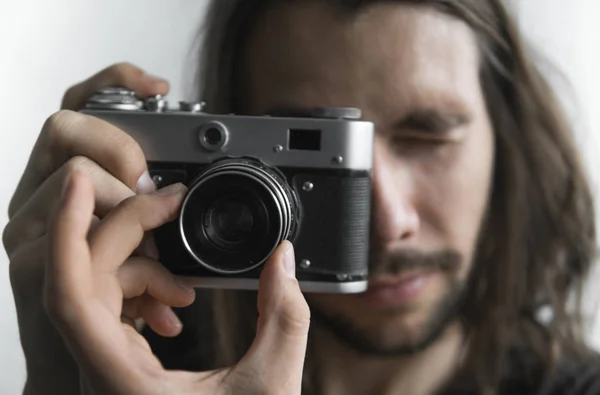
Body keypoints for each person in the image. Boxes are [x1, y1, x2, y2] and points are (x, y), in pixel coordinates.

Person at [4, 0, 600, 394]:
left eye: (429, 137)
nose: (390, 224)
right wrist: (59, 377)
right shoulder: (135, 363)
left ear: (508, 140)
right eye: (304, 154)